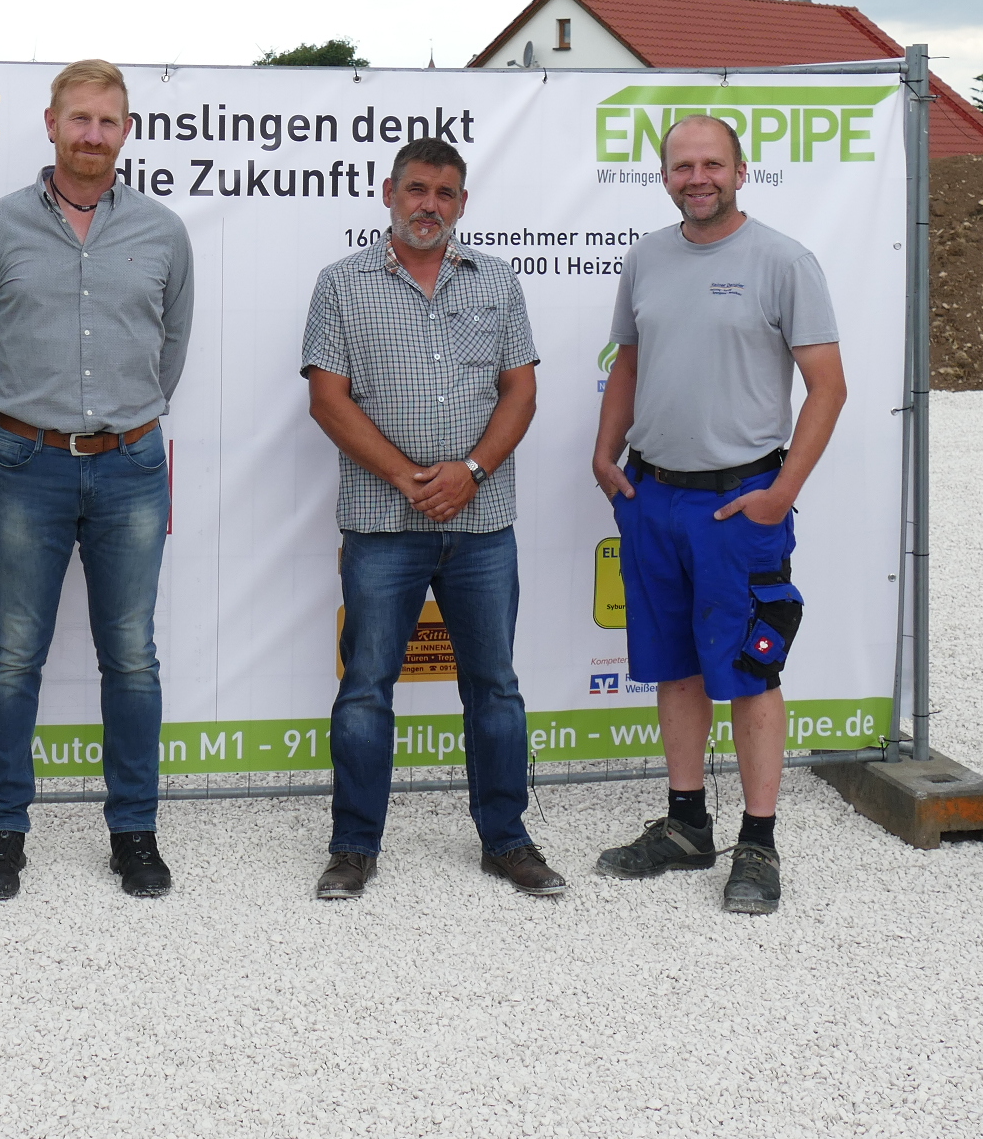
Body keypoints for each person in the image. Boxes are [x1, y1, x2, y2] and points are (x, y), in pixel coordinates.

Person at [0, 59, 194, 901]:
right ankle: (2, 834)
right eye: (79, 118)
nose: (93, 134)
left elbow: (170, 350)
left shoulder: (163, 233)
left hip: (131, 465)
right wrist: (26, 421)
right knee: (14, 654)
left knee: (131, 657)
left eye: (107, 121)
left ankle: (134, 832)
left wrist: (122, 420)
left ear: (126, 132)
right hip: (28, 467)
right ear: (51, 124)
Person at [591, 113, 846, 916]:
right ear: (664, 176)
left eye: (711, 164)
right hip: (653, 497)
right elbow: (629, 362)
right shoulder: (646, 258)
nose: (696, 178)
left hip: (740, 505)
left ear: (742, 171)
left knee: (750, 672)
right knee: (676, 667)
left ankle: (758, 843)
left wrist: (783, 491)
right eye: (681, 166)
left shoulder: (783, 261)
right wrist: (605, 452)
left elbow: (829, 387)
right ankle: (686, 826)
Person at [301, 139, 560, 901]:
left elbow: (521, 391)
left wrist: (470, 472)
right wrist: (406, 478)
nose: (429, 205)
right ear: (388, 193)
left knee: (495, 688)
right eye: (416, 189)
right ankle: (353, 847)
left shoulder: (498, 281)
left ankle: (507, 840)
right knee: (365, 689)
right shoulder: (342, 284)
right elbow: (327, 399)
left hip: (483, 525)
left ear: (463, 204)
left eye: (445, 194)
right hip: (383, 524)